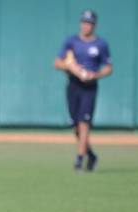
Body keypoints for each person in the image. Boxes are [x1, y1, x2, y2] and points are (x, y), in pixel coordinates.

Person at [54, 9, 112, 172]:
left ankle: (79, 160)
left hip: (90, 87)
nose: (87, 26)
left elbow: (108, 68)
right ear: (81, 23)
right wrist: (72, 68)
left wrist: (96, 74)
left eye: (90, 23)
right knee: (76, 127)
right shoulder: (71, 42)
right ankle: (91, 155)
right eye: (85, 22)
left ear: (95, 25)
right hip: (73, 85)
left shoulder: (100, 44)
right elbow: (57, 63)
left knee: (84, 123)